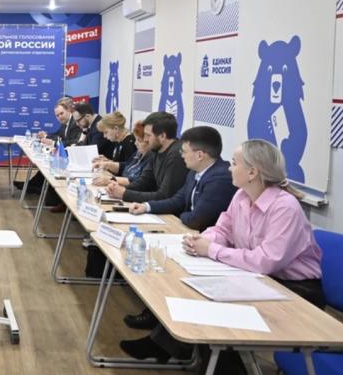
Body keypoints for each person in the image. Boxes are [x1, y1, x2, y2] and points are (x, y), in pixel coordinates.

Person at [120, 140, 324, 375]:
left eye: (234, 163)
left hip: (295, 290)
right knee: (196, 291)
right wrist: (201, 240)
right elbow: (222, 230)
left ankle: (194, 358)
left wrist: (212, 250)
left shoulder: (285, 207)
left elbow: (266, 261)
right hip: (259, 278)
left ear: (252, 172)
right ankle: (174, 349)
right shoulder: (241, 196)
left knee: (217, 312)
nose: (229, 168)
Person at [119, 126, 236, 332]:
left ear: (200, 155)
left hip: (208, 244)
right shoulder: (195, 172)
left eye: (185, 151)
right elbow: (178, 200)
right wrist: (147, 206)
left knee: (164, 266)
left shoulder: (220, 178)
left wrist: (182, 214)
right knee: (157, 259)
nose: (182, 155)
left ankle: (162, 331)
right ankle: (155, 320)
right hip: (193, 237)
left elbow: (197, 219)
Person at [106, 111, 188, 203]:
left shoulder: (177, 156)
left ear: (162, 136)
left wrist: (124, 194)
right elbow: (145, 182)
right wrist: (118, 189)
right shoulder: (156, 150)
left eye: (148, 135)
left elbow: (165, 195)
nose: (145, 139)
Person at [15, 98, 81, 193]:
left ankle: (35, 187)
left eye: (61, 113)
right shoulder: (64, 122)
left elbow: (72, 142)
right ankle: (32, 185)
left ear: (69, 110)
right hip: (62, 156)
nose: (59, 117)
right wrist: (46, 135)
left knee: (50, 163)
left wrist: (52, 142)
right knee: (46, 164)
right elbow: (58, 134)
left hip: (70, 157)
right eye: (57, 116)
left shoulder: (75, 123)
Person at [92, 121, 150, 187]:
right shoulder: (139, 153)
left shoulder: (151, 160)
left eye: (139, 140)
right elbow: (127, 166)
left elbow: (139, 182)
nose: (135, 143)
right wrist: (107, 164)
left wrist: (110, 179)